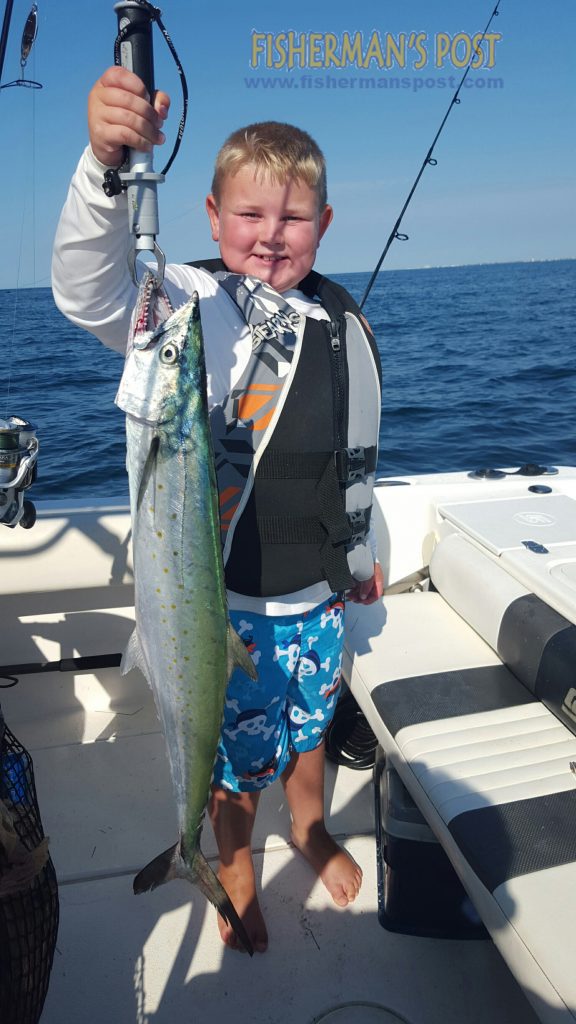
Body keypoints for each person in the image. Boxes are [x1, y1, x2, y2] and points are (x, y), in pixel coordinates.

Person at [52, 66, 384, 954]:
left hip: (317, 598)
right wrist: (101, 166)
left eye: (292, 218)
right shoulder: (184, 306)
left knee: (311, 731)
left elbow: (349, 461)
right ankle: (228, 858)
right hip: (224, 605)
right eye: (249, 214)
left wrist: (360, 555)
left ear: (323, 225)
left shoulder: (338, 320)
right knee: (236, 762)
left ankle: (308, 828)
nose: (270, 236)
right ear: (209, 216)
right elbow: (86, 290)